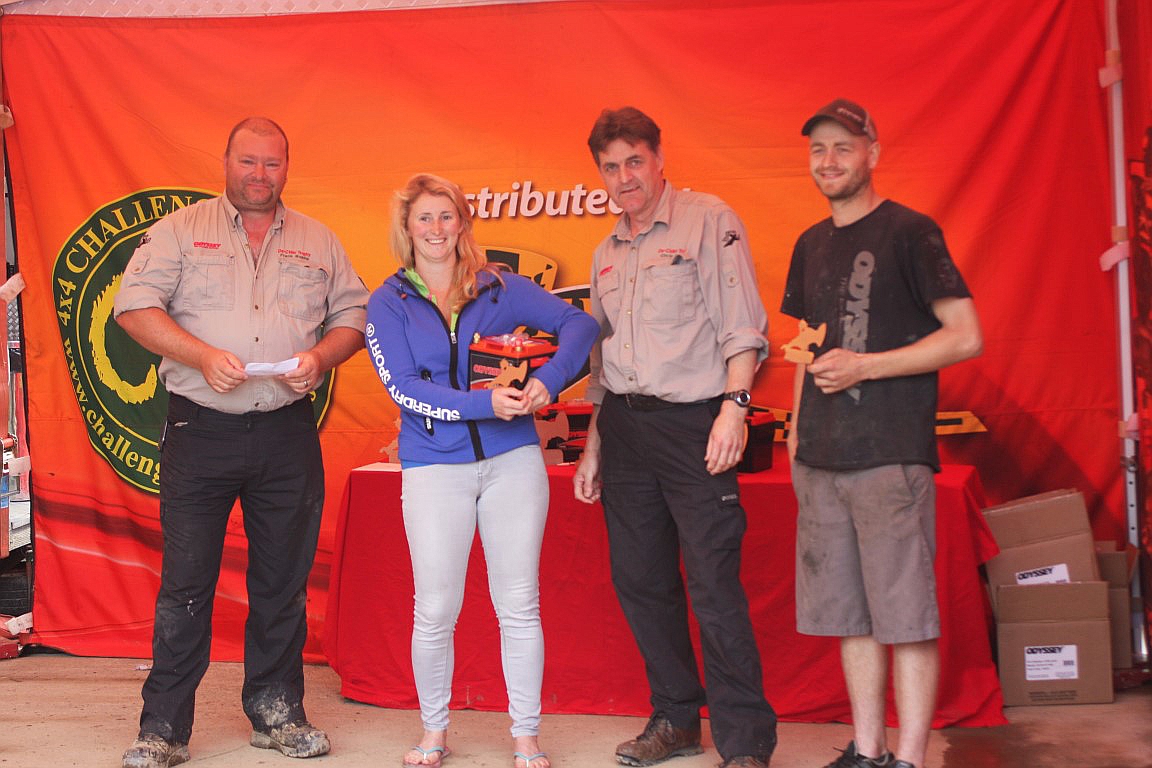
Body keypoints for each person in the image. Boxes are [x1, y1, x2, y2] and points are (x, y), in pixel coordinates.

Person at [114, 117, 370, 768]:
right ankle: (163, 729)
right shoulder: (180, 231)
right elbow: (133, 307)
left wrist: (321, 356)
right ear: (225, 161)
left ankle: (277, 714)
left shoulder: (318, 239)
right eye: (248, 161)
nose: (260, 174)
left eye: (272, 163)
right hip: (200, 429)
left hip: (287, 433)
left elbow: (353, 317)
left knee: (282, 583)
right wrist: (200, 355)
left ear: (288, 167)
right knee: (187, 584)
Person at [365, 173, 599, 768]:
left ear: (463, 223)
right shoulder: (388, 301)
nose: (436, 229)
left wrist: (548, 382)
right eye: (424, 217)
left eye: (446, 216)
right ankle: (434, 732)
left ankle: (526, 736)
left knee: (518, 604)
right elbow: (403, 389)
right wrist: (483, 403)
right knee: (434, 608)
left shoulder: (497, 286)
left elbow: (581, 325)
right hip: (433, 466)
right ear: (406, 227)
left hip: (512, 462)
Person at [573, 107, 778, 768]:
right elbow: (603, 362)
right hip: (625, 429)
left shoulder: (708, 221)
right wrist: (595, 445)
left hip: (696, 425)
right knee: (642, 581)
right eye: (611, 167)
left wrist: (734, 410)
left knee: (714, 584)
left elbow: (742, 325)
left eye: (635, 161)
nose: (624, 177)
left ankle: (745, 741)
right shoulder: (606, 251)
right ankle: (676, 718)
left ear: (659, 160)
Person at [782, 99, 983, 768]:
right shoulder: (809, 244)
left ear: (873, 152)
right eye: (818, 149)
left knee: (906, 615)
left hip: (889, 455)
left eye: (843, 146)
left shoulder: (911, 233)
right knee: (850, 615)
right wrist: (795, 433)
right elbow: (806, 345)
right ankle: (867, 752)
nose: (829, 160)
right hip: (821, 457)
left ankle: (910, 759)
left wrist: (867, 366)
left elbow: (966, 336)